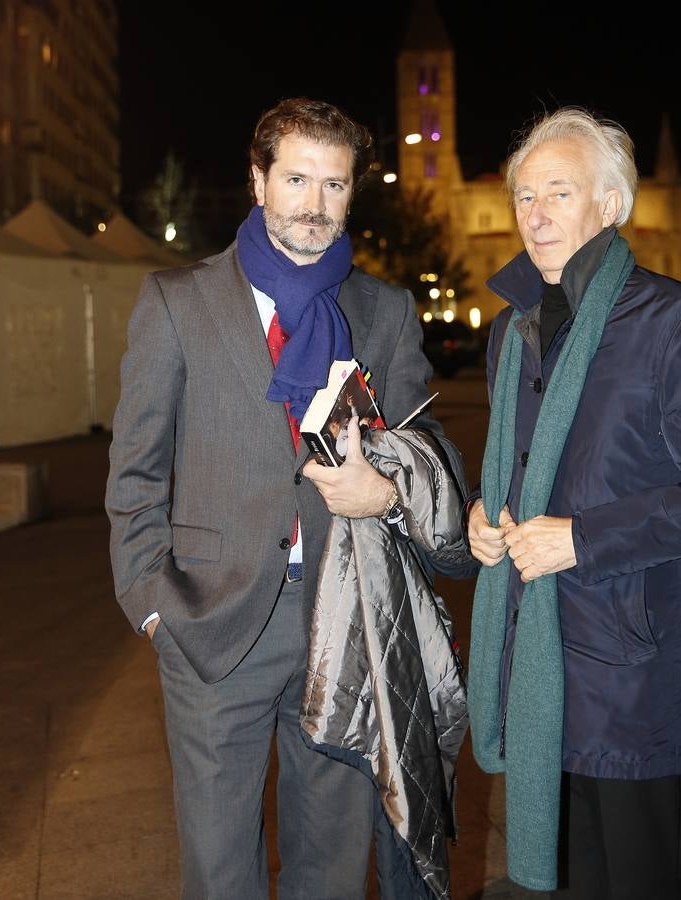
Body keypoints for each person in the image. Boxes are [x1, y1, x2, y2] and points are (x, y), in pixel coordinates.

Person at [105, 97, 468, 900]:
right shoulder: (177, 302)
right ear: (257, 180)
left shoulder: (381, 310)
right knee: (219, 866)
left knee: (332, 863)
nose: (314, 204)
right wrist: (152, 603)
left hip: (340, 621)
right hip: (210, 624)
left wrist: (383, 491)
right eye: (296, 179)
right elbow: (134, 471)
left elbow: (425, 449)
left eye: (333, 185)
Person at [466, 107, 681, 898]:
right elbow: (522, 467)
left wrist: (582, 539)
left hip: (627, 668)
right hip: (536, 663)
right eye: (524, 196)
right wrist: (482, 511)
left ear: (609, 204)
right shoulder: (511, 330)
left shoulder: (675, 323)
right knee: (564, 880)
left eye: (557, 193)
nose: (534, 215)